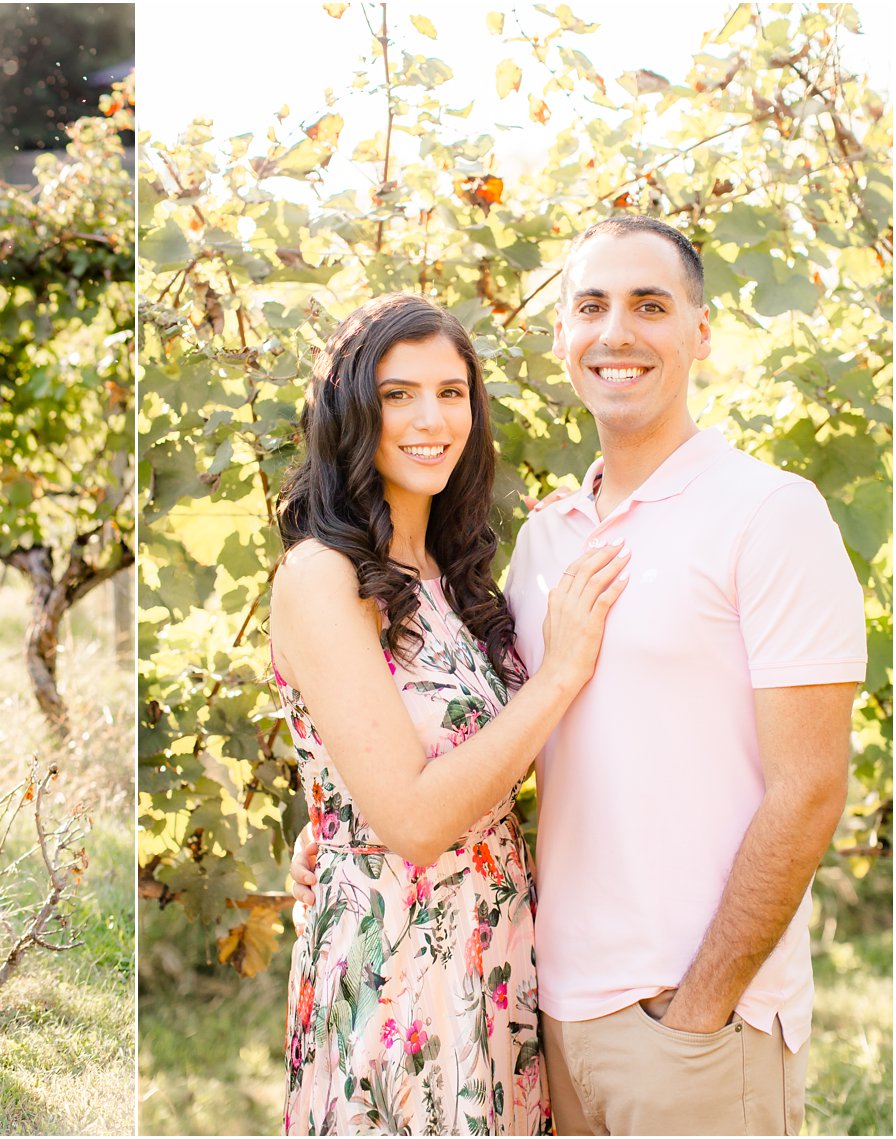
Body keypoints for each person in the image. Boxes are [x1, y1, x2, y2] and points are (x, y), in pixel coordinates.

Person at [292, 217, 867, 1134]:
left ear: (702, 333)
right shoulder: (546, 539)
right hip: (533, 1006)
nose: (617, 333)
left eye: (650, 305)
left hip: (689, 1019)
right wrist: (339, 817)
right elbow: (468, 734)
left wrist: (699, 1009)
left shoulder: (770, 515)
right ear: (561, 336)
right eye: (592, 305)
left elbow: (810, 790)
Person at [269, 292, 629, 1135]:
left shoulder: (454, 574)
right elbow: (417, 820)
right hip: (398, 969)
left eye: (452, 391)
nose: (432, 417)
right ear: (353, 410)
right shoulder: (322, 575)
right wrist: (564, 668)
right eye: (399, 394)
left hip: (496, 955)